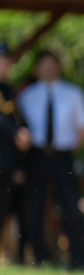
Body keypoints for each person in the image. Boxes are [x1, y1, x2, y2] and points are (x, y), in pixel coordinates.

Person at [18, 51, 84, 270]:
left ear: (59, 67)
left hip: (63, 155)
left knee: (70, 205)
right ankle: (39, 257)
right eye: (44, 65)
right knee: (34, 207)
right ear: (37, 69)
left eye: (53, 64)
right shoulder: (26, 96)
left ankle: (78, 259)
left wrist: (70, 148)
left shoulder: (73, 93)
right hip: (36, 155)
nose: (49, 69)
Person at [0, 44, 32, 253]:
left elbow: (17, 118)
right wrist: (16, 134)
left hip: (7, 163)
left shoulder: (8, 90)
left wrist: (24, 132)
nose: (7, 65)